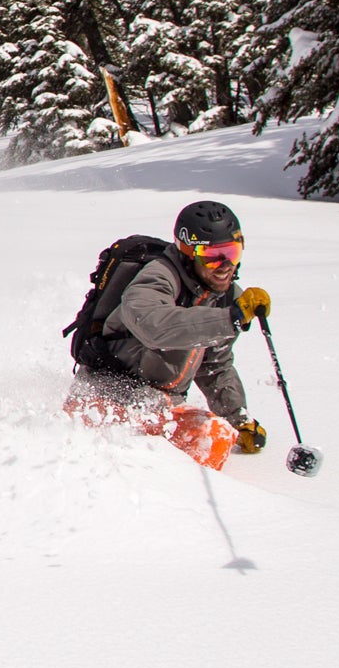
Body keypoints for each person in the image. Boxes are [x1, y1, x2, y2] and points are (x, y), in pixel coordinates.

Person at [64, 200, 270, 470]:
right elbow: (154, 327)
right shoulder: (158, 277)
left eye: (231, 252)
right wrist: (229, 318)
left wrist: (237, 418)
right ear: (188, 252)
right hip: (104, 397)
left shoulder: (226, 297)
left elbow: (215, 365)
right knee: (202, 444)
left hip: (160, 408)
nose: (225, 265)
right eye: (211, 255)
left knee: (216, 438)